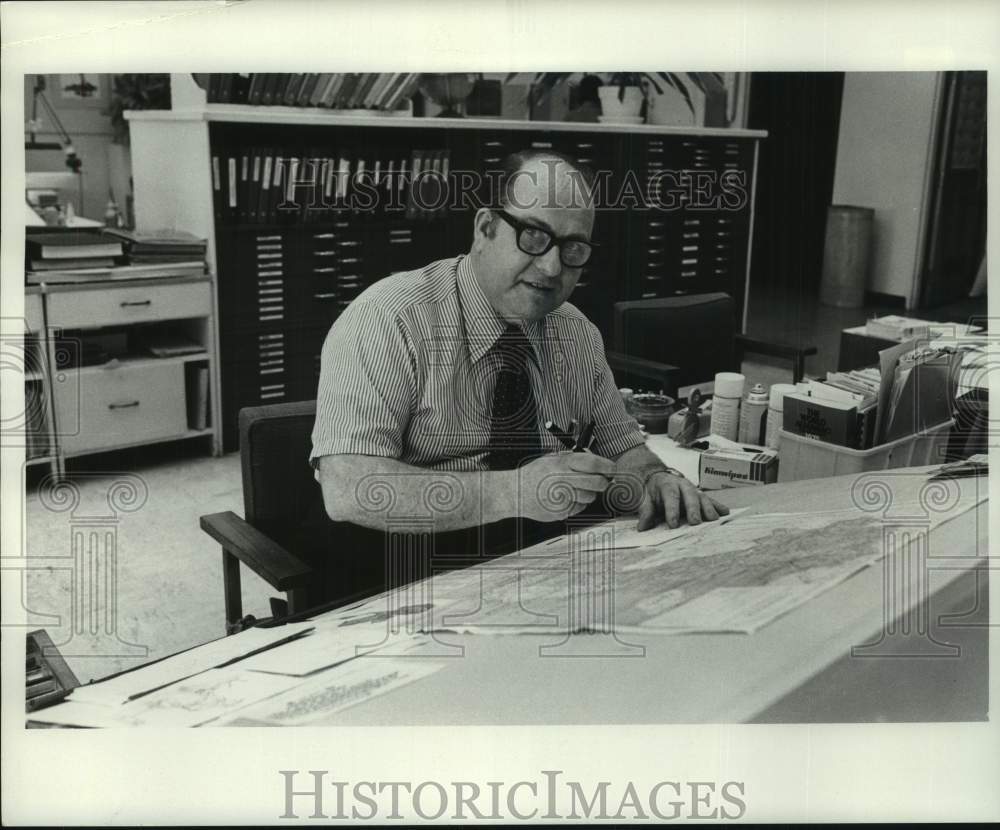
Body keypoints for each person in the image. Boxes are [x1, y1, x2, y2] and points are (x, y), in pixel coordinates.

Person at [310, 149, 726, 560]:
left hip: (549, 563)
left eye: (573, 248)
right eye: (533, 236)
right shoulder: (389, 319)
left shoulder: (576, 333)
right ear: (485, 227)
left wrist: (655, 477)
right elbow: (349, 488)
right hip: (410, 571)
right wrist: (517, 492)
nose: (551, 267)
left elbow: (623, 448)